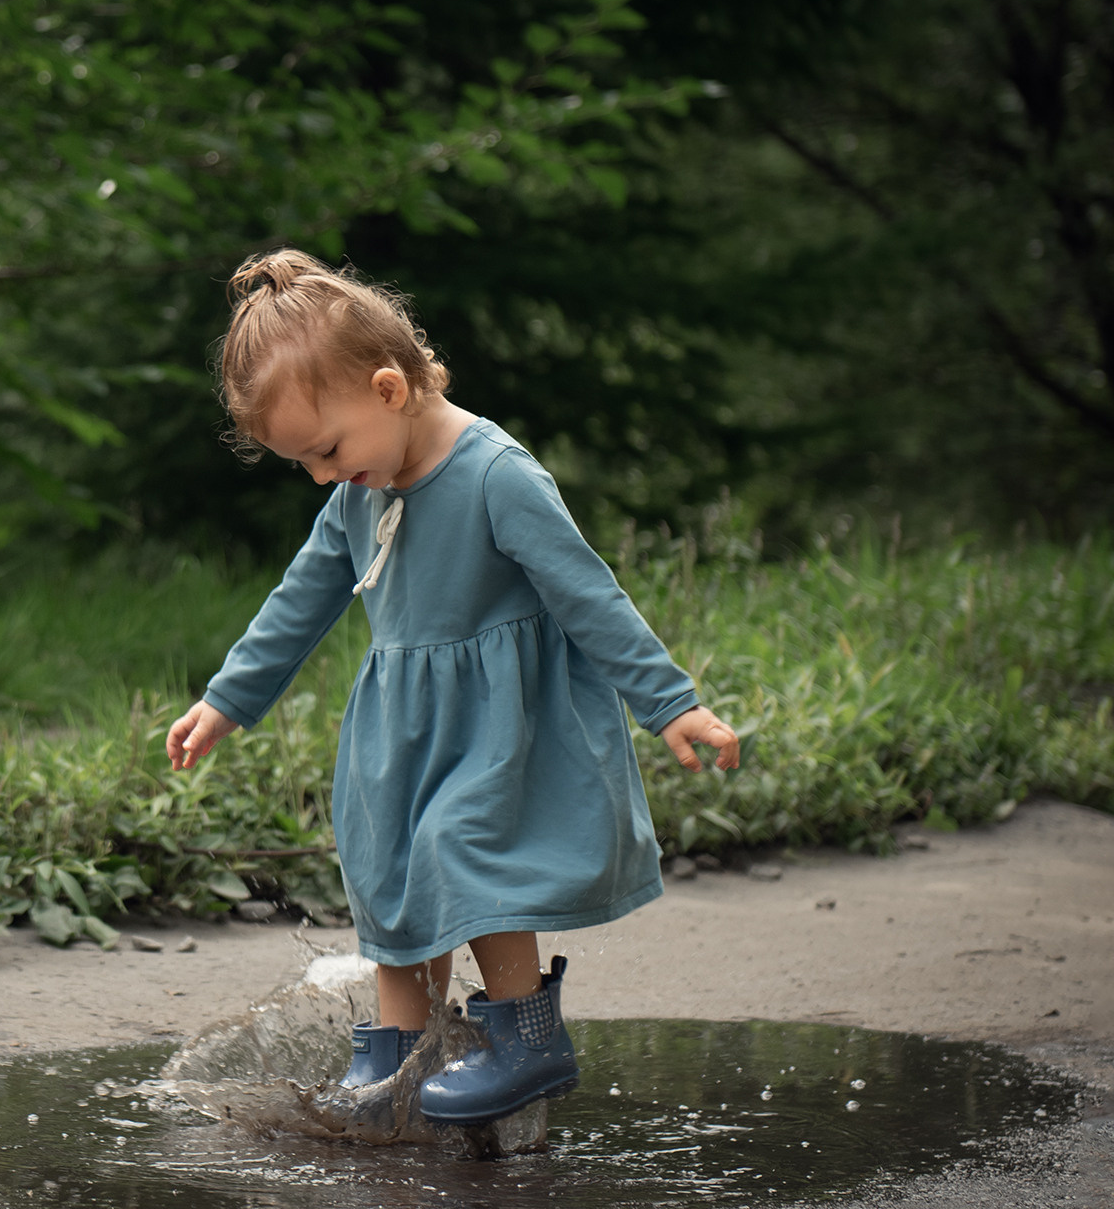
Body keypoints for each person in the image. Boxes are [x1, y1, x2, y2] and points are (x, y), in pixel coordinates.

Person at [166, 249, 740, 1125]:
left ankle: (526, 1033)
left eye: (326, 450)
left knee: (465, 851)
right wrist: (227, 699)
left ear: (389, 388)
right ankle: (400, 1055)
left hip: (498, 724)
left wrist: (670, 702)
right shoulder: (360, 490)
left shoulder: (494, 474)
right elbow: (302, 598)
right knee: (390, 865)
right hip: (399, 727)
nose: (322, 476)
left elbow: (588, 593)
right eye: (303, 464)